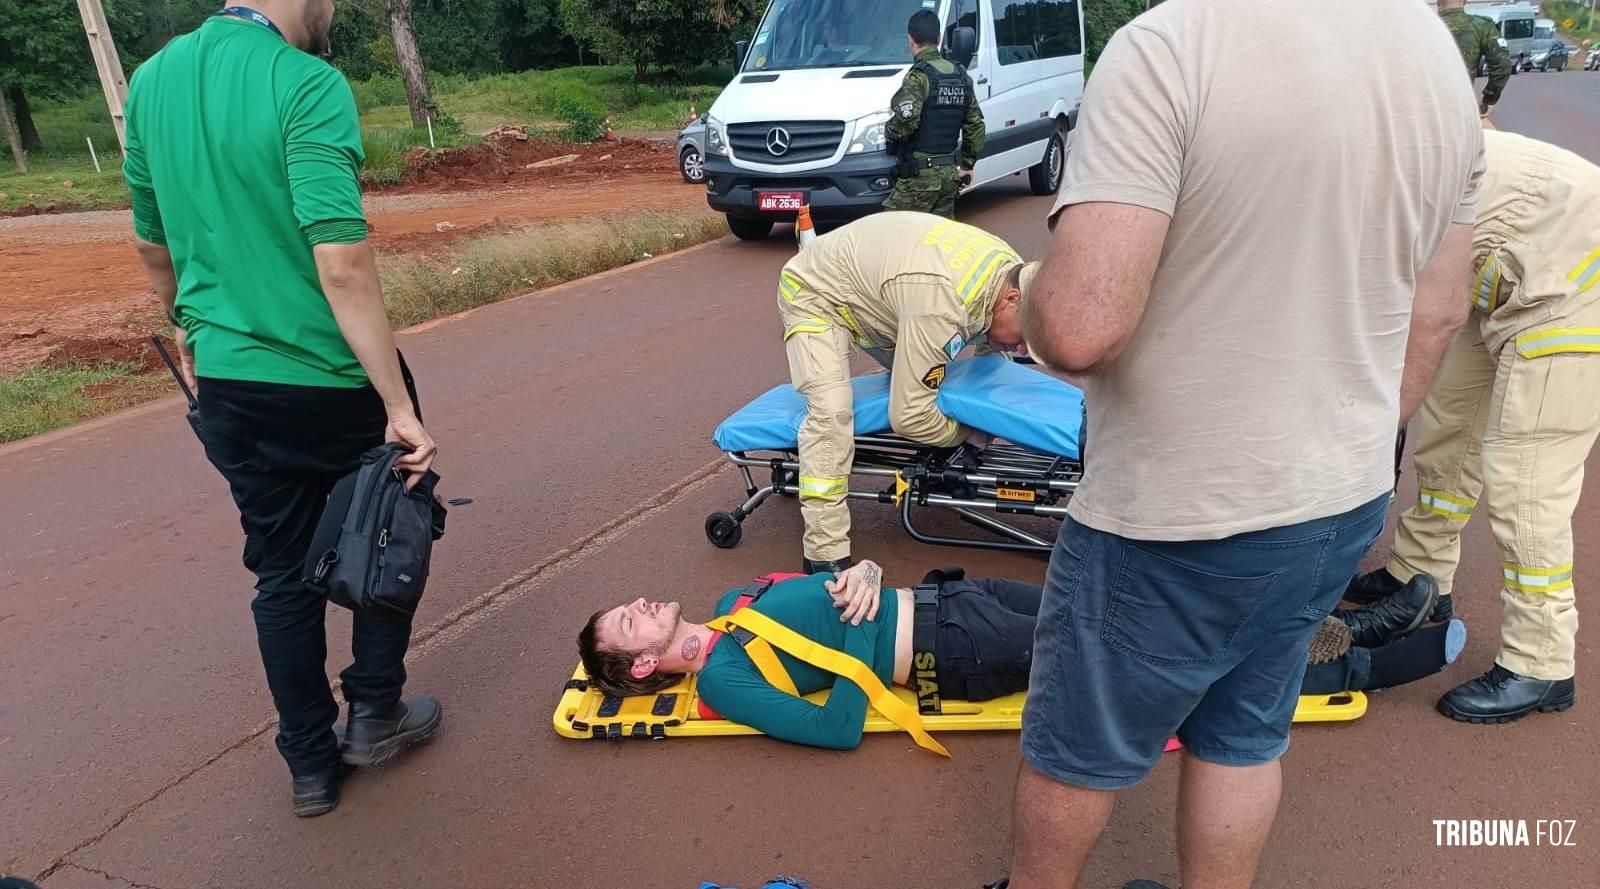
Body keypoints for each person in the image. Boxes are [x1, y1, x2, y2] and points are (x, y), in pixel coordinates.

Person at [996, 0, 1486, 886]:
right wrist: (1359, 447)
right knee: (1245, 733)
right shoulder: (1433, 59)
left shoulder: (1172, 46)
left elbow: (1078, 325)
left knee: (1078, 744)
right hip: (1338, 496)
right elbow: (1439, 313)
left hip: (1178, 509)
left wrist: (1024, 290)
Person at [123, 1, 442, 818]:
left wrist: (190, 323)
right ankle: (374, 711)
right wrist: (398, 403)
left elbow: (154, 247)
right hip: (329, 375)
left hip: (229, 381)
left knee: (279, 570)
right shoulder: (307, 83)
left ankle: (308, 761)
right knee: (390, 520)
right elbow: (339, 260)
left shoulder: (151, 82)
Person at [576, 562, 1462, 751]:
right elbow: (840, 724)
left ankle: (1327, 631)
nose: (645, 601)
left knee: (1121, 607)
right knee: (1134, 650)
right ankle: (1360, 656)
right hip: (950, 652)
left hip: (948, 597)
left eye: (631, 600)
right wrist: (855, 622)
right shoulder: (727, 678)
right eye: (630, 621)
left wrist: (861, 571)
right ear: (646, 666)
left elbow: (835, 583)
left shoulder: (737, 604)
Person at [1344, 128, 1600, 724]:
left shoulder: (1352, 180)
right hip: (1492, 273)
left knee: (1525, 477)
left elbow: (1396, 324)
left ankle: (1541, 664)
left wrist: (1372, 433)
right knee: (1446, 434)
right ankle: (1420, 580)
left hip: (1575, 271)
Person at [775, 212, 1038, 574]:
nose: (1023, 348)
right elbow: (909, 416)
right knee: (832, 416)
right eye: (1025, 337)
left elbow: (991, 354)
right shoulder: (943, 302)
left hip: (883, 289)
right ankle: (823, 552)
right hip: (815, 292)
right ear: (1011, 299)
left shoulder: (1009, 269)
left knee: (937, 374)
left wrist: (984, 419)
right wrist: (968, 430)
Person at [882, 9, 985, 219]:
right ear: (938, 39)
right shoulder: (960, 75)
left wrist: (889, 132)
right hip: (949, 174)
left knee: (893, 232)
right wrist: (967, 164)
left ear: (910, 40)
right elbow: (975, 125)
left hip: (919, 177)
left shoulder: (918, 77)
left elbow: (906, 122)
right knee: (938, 238)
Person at [1439, 0, 1513, 117]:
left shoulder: (1419, 27)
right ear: (1465, 1)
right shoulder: (1482, 27)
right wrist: (1490, 98)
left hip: (1420, 109)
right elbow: (1502, 63)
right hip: (1460, 107)